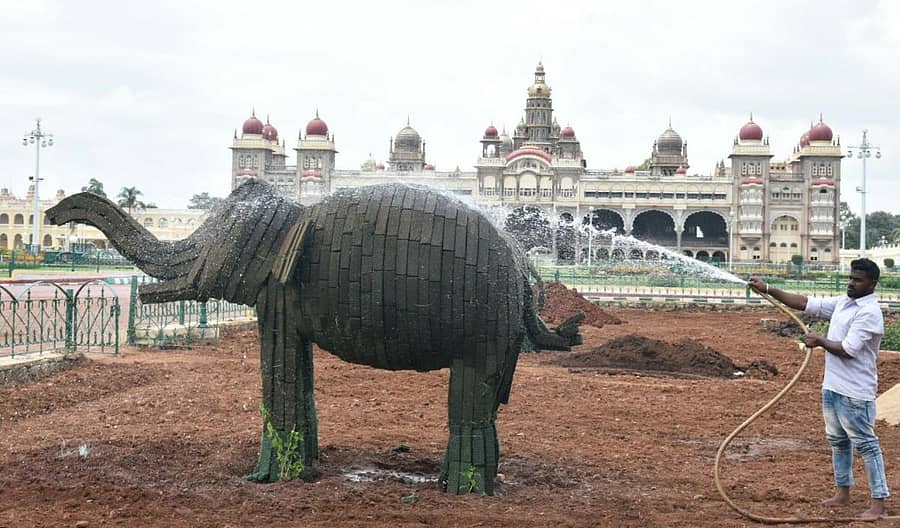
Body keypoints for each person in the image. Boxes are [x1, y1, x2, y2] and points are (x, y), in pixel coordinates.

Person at [748, 258, 888, 520]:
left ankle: (878, 503)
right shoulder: (844, 302)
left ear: (872, 284)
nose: (851, 283)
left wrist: (820, 341)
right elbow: (805, 303)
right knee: (838, 442)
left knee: (867, 446)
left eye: (858, 280)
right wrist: (768, 289)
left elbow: (848, 349)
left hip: (855, 392)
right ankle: (842, 493)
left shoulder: (869, 312)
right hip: (833, 387)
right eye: (851, 278)